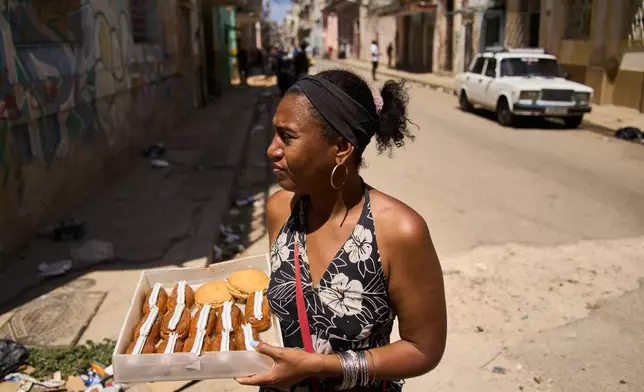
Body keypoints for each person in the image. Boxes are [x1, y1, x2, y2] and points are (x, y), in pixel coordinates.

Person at [235, 69, 447, 391]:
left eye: (287, 137)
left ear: (341, 148)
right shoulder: (281, 209)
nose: (271, 150)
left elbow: (423, 349)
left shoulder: (399, 231)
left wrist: (322, 365)